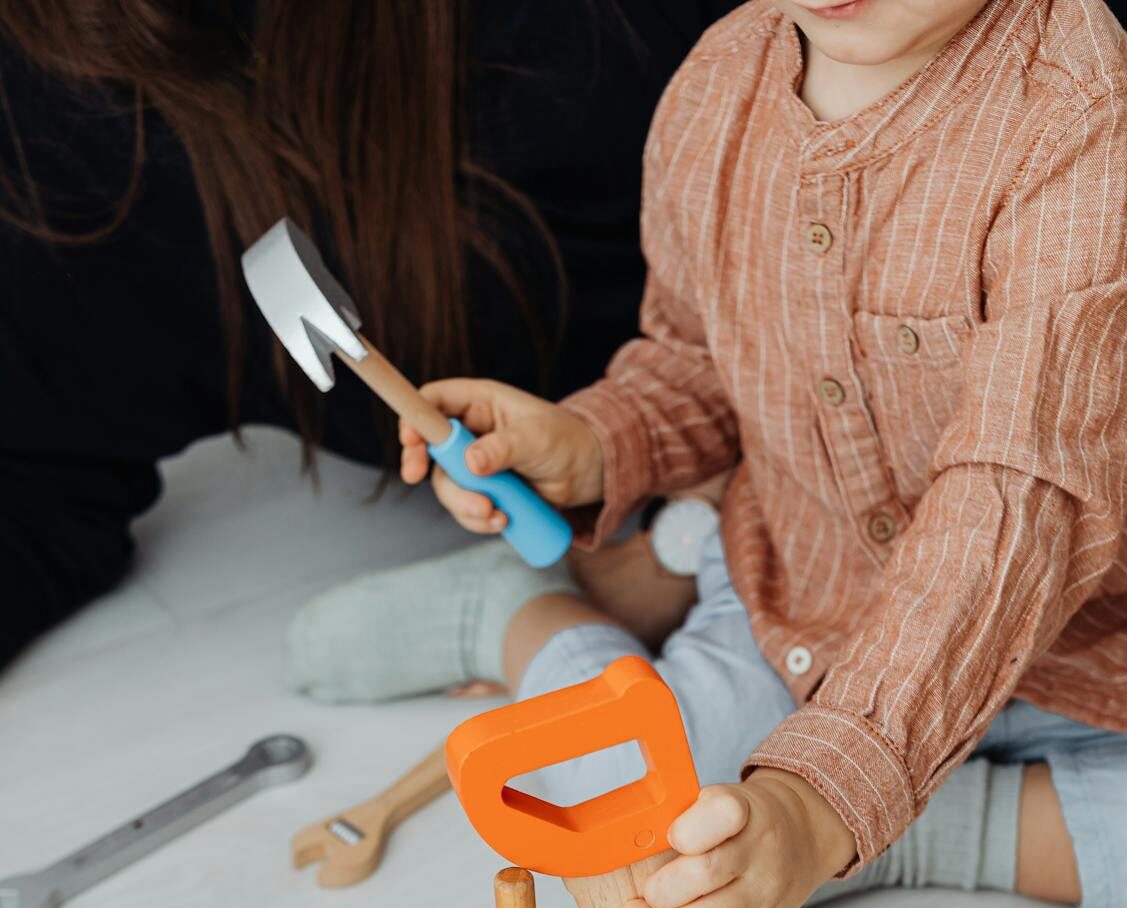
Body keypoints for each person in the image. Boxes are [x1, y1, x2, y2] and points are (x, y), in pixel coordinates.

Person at [369, 0, 1127, 908]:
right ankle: (520, 615)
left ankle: (916, 831)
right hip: (807, 601)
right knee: (607, 808)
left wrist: (820, 801)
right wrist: (594, 441)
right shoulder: (720, 82)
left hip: (1094, 632)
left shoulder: (1082, 117)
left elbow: (1018, 501)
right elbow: (695, 360)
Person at [0, 0, 730, 669]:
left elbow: (830, 295)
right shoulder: (57, 99)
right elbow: (43, 471)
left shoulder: (615, 48)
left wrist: (683, 539)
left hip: (756, 495)